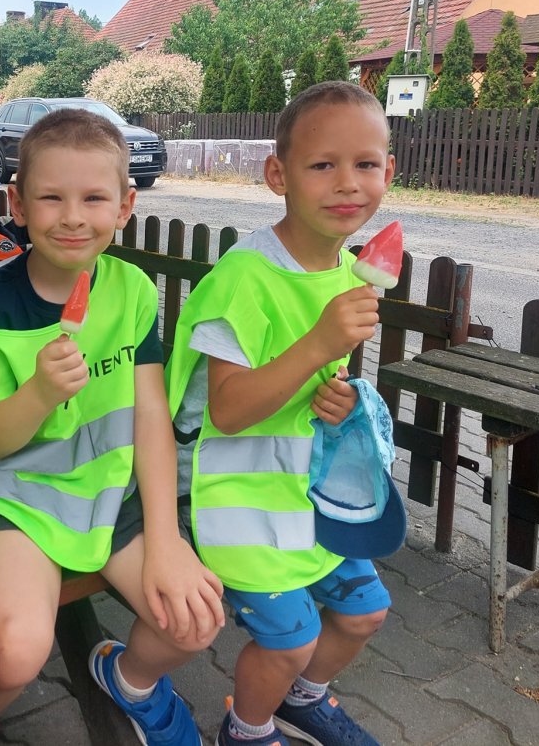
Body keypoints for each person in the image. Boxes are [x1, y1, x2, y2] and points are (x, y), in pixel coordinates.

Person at [0, 108, 227, 746]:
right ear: (17, 204)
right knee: (16, 652)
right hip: (19, 496)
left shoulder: (132, 290)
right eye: (51, 198)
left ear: (125, 207)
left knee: (194, 621)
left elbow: (150, 416)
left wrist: (166, 538)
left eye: (93, 198)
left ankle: (128, 680)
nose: (72, 217)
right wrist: (39, 393)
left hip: (108, 490)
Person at [165, 81, 396, 746]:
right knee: (291, 639)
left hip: (307, 485)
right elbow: (230, 411)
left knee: (364, 614)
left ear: (389, 171)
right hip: (237, 494)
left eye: (365, 164)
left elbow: (316, 380)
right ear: (278, 175)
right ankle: (247, 728)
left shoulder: (347, 271)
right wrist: (320, 344)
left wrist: (339, 398)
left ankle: (303, 701)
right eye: (322, 165)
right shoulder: (244, 280)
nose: (347, 183)